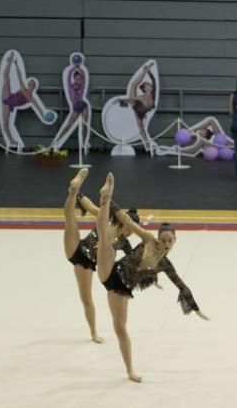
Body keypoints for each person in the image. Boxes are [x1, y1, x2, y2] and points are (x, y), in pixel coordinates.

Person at [94, 173, 209, 382]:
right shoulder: (148, 240)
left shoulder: (165, 264)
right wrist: (113, 204)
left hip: (121, 288)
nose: (166, 244)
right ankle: (105, 198)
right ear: (158, 238)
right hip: (112, 271)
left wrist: (196, 309)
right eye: (163, 240)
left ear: (175, 241)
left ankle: (129, 371)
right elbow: (128, 221)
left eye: (169, 241)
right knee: (104, 237)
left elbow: (181, 285)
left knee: (120, 329)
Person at [63, 168, 137, 343]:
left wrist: (80, 198)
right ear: (125, 224)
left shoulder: (109, 221)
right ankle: (94, 332)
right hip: (84, 262)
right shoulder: (113, 227)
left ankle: (73, 192)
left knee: (69, 218)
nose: (131, 234)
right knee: (87, 299)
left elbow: (134, 258)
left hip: (76, 250)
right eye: (130, 230)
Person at [0, 49, 56, 150]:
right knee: (6, 79)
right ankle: (9, 61)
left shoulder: (31, 98)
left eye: (32, 84)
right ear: (28, 84)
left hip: (10, 105)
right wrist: (15, 64)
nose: (30, 84)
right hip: (8, 97)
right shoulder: (23, 88)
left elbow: (39, 109)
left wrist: (44, 114)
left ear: (34, 87)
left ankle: (11, 140)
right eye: (30, 82)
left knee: (6, 123)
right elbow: (19, 76)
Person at [118, 61, 158, 153]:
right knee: (141, 127)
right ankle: (147, 145)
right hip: (140, 109)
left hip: (143, 107)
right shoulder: (143, 96)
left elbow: (153, 80)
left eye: (149, 84)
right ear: (145, 88)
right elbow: (132, 98)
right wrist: (147, 71)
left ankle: (121, 104)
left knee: (133, 87)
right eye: (148, 84)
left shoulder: (152, 93)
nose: (150, 85)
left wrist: (148, 71)